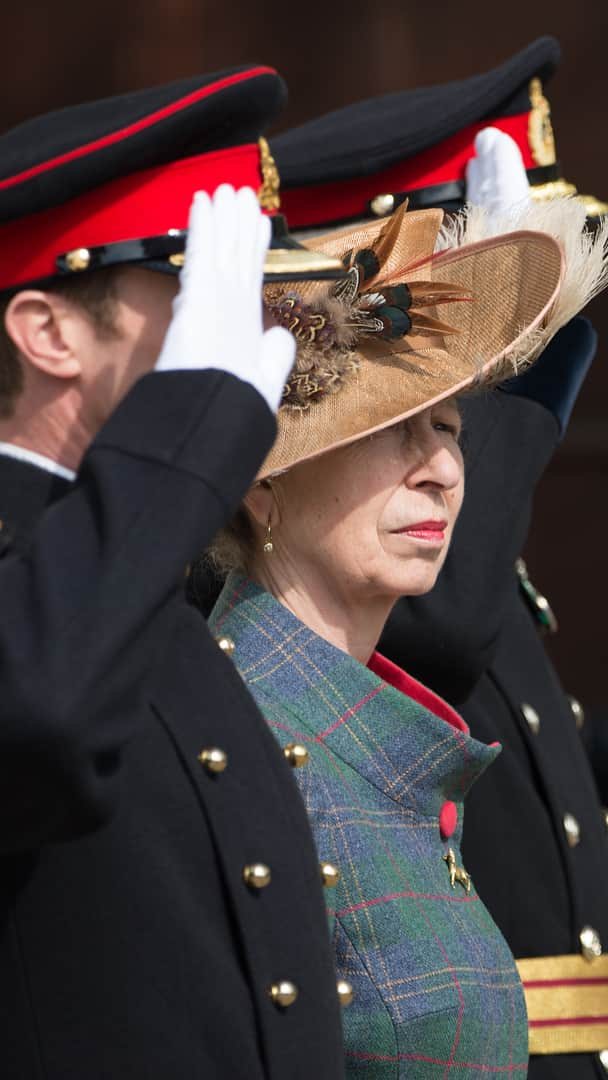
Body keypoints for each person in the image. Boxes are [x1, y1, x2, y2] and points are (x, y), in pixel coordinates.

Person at [278, 38, 608, 1079]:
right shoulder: (369, 529)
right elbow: (442, 625)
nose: (442, 463)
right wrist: (515, 381)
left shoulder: (461, 503)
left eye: (451, 425)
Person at [0, 67, 349, 1078]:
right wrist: (186, 428)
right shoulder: (107, 548)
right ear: (49, 331)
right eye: (197, 291)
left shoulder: (144, 551)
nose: (243, 332)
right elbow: (36, 722)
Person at [203, 201, 576, 1072]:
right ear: (264, 482)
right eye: (390, 429)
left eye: (448, 428)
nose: (443, 470)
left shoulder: (369, 737)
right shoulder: (236, 739)